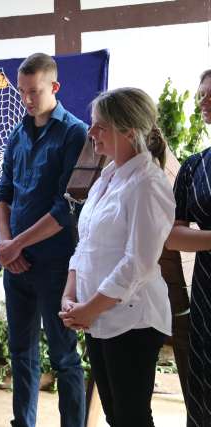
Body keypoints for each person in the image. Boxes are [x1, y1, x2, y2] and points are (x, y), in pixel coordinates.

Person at [59, 87, 175, 427]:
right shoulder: (106, 177)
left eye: (100, 126)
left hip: (133, 319)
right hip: (98, 316)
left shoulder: (147, 182)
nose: (91, 132)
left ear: (128, 131)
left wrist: (90, 306)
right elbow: (85, 245)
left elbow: (137, 261)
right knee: (115, 415)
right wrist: (70, 295)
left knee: (132, 417)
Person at [0, 52, 86, 427]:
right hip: (15, 265)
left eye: (35, 91)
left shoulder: (76, 133)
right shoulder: (17, 134)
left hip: (56, 265)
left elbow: (67, 208)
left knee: (64, 357)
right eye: (23, 91)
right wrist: (6, 245)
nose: (28, 99)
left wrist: (18, 244)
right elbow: (3, 195)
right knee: (20, 353)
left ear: (55, 87)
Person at [165, 69, 211, 427]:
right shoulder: (194, 166)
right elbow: (173, 236)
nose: (204, 102)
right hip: (207, 285)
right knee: (204, 377)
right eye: (201, 96)